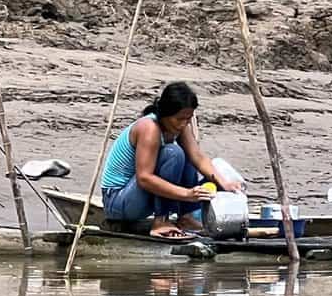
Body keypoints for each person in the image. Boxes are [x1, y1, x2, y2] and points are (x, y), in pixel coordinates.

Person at [100, 81, 243, 239]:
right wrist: (187, 194)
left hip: (141, 197)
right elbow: (144, 179)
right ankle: (161, 221)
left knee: (188, 155)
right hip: (118, 201)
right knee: (173, 153)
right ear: (166, 113)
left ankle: (186, 217)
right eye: (179, 119)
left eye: (187, 120)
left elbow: (197, 157)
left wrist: (224, 183)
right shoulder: (149, 128)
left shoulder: (179, 127)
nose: (183, 124)